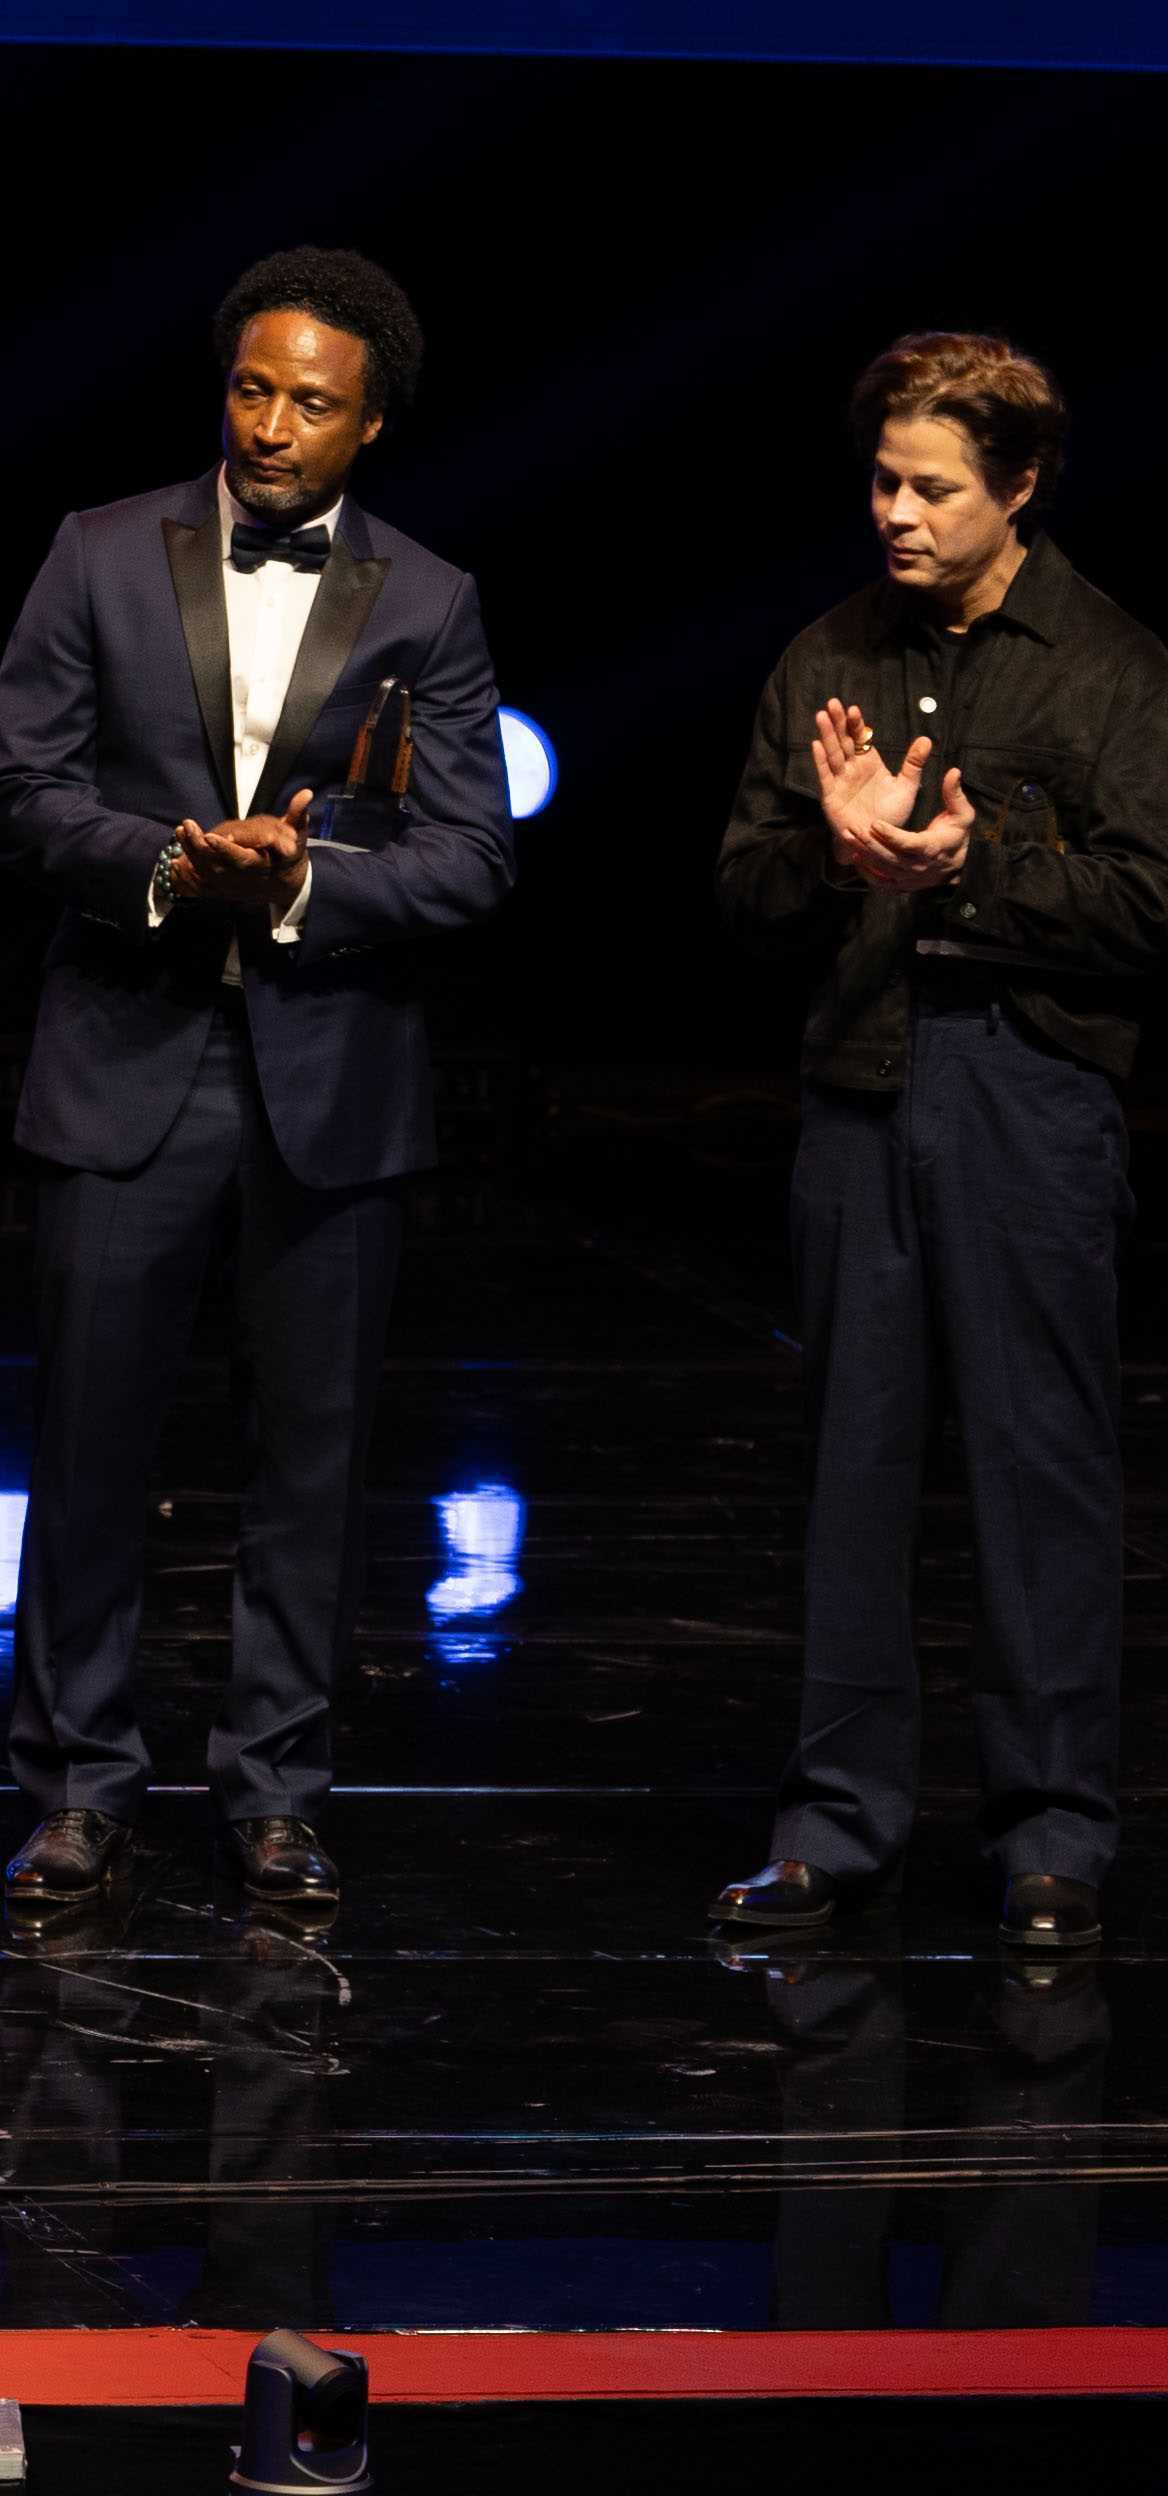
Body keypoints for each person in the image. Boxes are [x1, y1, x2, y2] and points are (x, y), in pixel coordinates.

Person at [0, 246, 511, 1921]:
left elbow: (474, 856)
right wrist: (167, 861)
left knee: (312, 1458)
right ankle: (76, 1790)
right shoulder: (96, 554)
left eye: (314, 403)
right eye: (254, 388)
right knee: (87, 1443)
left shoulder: (431, 599)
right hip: (131, 1056)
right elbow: (18, 793)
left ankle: (276, 1791)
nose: (273, 424)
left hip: (328, 1081)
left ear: (370, 431)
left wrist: (291, 887)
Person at [705, 335, 1168, 1954]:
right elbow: (742, 897)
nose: (897, 513)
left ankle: (1052, 1833)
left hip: (1025, 1095)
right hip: (857, 1092)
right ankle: (837, 1825)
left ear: (1020, 487)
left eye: (935, 488)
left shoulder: (1109, 667)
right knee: (853, 1463)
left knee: (1040, 1466)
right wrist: (841, 863)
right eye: (885, 481)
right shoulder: (825, 652)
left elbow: (1148, 906)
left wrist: (963, 875)